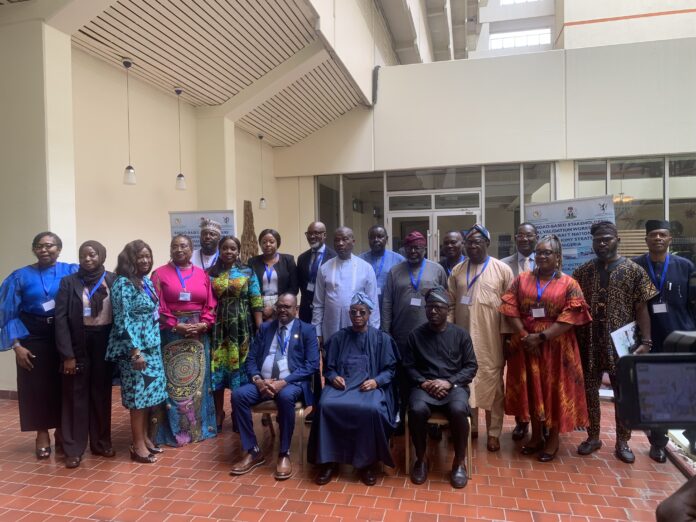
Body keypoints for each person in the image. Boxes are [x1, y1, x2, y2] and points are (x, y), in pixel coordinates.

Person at [500, 235, 591, 462]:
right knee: (531, 390)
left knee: (554, 392)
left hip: (556, 346)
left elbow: (572, 315)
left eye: (547, 252)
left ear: (558, 257)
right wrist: (524, 336)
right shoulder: (521, 279)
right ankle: (536, 436)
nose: (541, 256)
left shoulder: (570, 284)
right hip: (526, 345)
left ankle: (553, 441)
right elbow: (509, 306)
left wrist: (540, 337)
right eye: (539, 252)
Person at [573, 221, 657, 464]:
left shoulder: (634, 271)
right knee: (590, 392)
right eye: (598, 239)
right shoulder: (583, 271)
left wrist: (647, 342)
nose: (602, 243)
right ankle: (593, 436)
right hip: (589, 342)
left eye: (607, 238)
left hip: (622, 345)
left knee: (622, 394)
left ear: (617, 239)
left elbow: (642, 308)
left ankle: (623, 441)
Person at [0, 232, 77, 458]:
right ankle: (41, 433)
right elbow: (7, 313)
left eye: (49, 246)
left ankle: (63, 432)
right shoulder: (19, 276)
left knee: (65, 382)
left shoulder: (70, 271)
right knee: (35, 385)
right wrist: (16, 346)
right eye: (39, 246)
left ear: (59, 249)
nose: (44, 250)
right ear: (34, 249)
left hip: (63, 333)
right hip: (32, 335)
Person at [308, 293, 398, 486]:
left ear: (369, 314)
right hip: (342, 387)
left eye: (362, 312)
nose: (357, 315)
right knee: (324, 405)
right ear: (349, 313)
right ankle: (329, 462)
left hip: (369, 387)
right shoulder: (339, 338)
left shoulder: (381, 339)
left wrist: (376, 381)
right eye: (354, 312)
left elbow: (390, 369)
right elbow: (329, 368)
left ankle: (366, 464)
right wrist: (333, 377)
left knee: (371, 410)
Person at [229, 293, 319, 480]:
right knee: (238, 395)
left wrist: (283, 382)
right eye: (279, 306)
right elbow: (251, 359)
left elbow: (311, 365)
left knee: (285, 397)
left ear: (296, 309)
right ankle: (253, 450)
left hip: (291, 383)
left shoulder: (307, 330)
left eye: (287, 306)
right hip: (264, 382)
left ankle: (284, 452)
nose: (282, 310)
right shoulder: (265, 328)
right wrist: (258, 380)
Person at [632, 219, 696, 462]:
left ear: (670, 239)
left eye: (662, 235)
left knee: (685, 389)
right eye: (653, 235)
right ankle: (658, 442)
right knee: (655, 391)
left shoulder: (686, 266)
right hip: (648, 340)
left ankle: (692, 436)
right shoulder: (636, 266)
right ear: (646, 239)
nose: (658, 238)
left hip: (681, 337)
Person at [448, 224, 514, 452]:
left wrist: (507, 339)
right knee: (467, 384)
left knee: (494, 387)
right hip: (462, 341)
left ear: (487, 243)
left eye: (478, 241)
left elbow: (509, 308)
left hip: (491, 340)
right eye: (469, 242)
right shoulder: (457, 270)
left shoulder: (502, 270)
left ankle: (494, 433)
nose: (473, 245)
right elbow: (449, 304)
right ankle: (472, 427)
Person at [404, 287, 478, 488]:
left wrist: (450, 382)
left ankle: (459, 462)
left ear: (447, 310)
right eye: (429, 308)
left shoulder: (461, 335)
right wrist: (423, 382)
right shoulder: (416, 335)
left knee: (458, 409)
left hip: (453, 386)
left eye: (438, 308)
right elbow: (408, 366)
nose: (433, 312)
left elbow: (471, 366)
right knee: (417, 409)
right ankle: (421, 459)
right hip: (424, 386)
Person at [151, 234, 218, 446]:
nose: (179, 249)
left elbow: (211, 304)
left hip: (198, 332)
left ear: (191, 250)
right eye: (175, 246)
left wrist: (204, 323)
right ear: (170, 249)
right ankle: (174, 432)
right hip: (171, 332)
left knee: (198, 379)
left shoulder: (202, 275)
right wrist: (175, 325)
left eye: (184, 246)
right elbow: (156, 306)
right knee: (174, 380)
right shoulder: (159, 274)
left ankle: (199, 430)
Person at [54, 241, 116, 468]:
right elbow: (60, 320)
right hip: (77, 342)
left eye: (92, 254)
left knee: (101, 394)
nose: (88, 259)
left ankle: (101, 443)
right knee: (74, 395)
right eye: (83, 255)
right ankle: (73, 449)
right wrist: (67, 355)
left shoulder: (112, 280)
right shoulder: (69, 283)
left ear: (101, 255)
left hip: (104, 342)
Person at [107, 240, 167, 463]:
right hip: (135, 351)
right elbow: (123, 321)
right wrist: (135, 352)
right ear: (129, 260)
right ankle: (137, 445)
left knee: (150, 395)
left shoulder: (146, 282)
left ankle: (145, 439)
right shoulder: (123, 284)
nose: (145, 260)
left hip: (151, 347)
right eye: (140, 257)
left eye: (148, 256)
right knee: (138, 398)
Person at [382, 231, 447, 429]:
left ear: (424, 248)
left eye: (417, 247)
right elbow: (386, 303)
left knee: (429, 375)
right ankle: (401, 417)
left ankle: (432, 424)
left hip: (430, 337)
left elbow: (445, 302)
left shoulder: (437, 270)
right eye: (409, 247)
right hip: (401, 336)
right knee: (402, 379)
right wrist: (386, 332)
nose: (413, 251)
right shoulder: (395, 271)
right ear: (404, 248)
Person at [209, 235, 263, 431]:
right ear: (219, 250)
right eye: (225, 248)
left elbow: (256, 299)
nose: (229, 251)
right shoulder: (211, 273)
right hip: (219, 327)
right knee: (218, 369)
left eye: (233, 248)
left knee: (241, 369)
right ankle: (218, 413)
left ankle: (239, 413)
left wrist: (260, 326)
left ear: (238, 251)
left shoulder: (248, 272)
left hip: (242, 327)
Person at [500, 222, 539, 441]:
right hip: (514, 331)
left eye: (529, 235)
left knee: (539, 378)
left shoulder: (546, 262)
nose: (524, 239)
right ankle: (521, 422)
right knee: (517, 379)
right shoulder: (504, 265)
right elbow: (503, 302)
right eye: (520, 235)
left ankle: (541, 422)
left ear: (536, 237)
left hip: (540, 332)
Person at [312, 227, 380, 344]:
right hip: (331, 327)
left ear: (353, 242)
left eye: (345, 239)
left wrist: (374, 331)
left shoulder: (366, 268)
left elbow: (373, 303)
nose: (340, 243)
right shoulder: (324, 268)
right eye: (337, 240)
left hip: (359, 328)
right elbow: (318, 304)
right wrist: (317, 332)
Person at [249, 229, 298, 321]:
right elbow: (251, 287)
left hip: (283, 306)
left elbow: (294, 288)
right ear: (260, 244)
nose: (267, 244)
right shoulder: (253, 262)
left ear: (277, 243)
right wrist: (260, 308)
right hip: (259, 307)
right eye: (264, 242)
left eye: (271, 242)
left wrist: (275, 307)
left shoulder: (288, 260)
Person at [297, 222, 336, 323]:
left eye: (316, 233)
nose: (312, 236)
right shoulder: (302, 258)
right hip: (306, 310)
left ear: (325, 235)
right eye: (309, 233)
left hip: (327, 308)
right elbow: (301, 283)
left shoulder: (334, 257)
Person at [359, 225, 405, 311]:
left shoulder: (399, 260)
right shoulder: (360, 260)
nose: (376, 240)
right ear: (368, 240)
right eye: (372, 237)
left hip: (390, 307)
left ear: (386, 239)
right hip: (366, 307)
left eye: (380, 236)